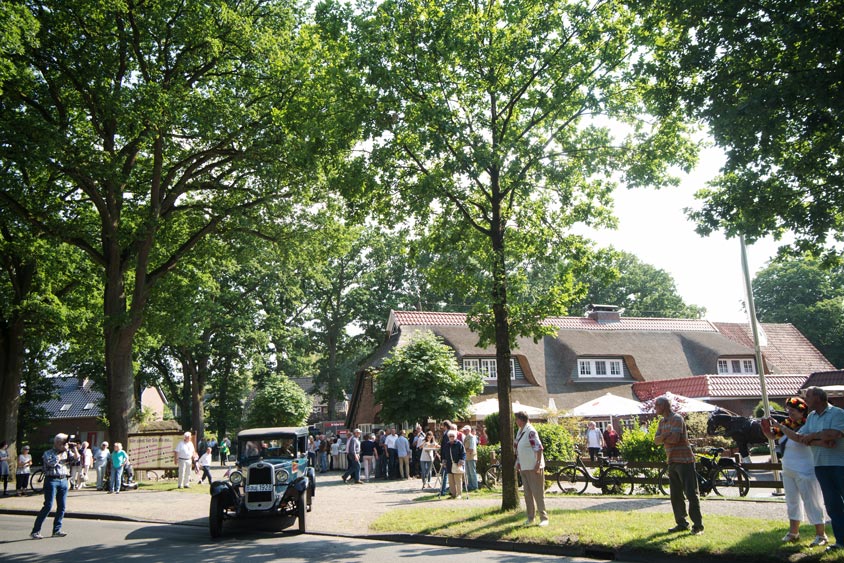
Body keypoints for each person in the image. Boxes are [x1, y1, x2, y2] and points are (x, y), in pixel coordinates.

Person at [775, 386, 844, 552]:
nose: (806, 400)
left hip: (840, 464)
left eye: (808, 397)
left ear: (818, 398)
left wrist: (813, 436)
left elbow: (835, 434)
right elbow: (800, 438)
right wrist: (782, 428)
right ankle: (841, 542)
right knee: (833, 506)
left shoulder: (837, 413)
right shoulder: (812, 417)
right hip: (821, 466)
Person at [762, 396, 828, 546]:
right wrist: (766, 430)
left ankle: (821, 535)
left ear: (802, 411)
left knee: (812, 502)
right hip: (788, 469)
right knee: (792, 501)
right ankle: (793, 533)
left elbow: (798, 438)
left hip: (805, 470)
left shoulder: (808, 425)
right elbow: (774, 436)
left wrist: (781, 426)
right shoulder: (787, 424)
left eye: (793, 411)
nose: (789, 413)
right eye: (788, 410)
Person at [654, 395, 703, 535]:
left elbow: (675, 439)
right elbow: (656, 441)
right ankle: (681, 523)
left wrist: (663, 437)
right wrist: (665, 436)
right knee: (675, 495)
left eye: (656, 406)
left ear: (663, 406)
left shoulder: (677, 418)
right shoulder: (662, 422)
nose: (655, 408)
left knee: (691, 494)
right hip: (672, 461)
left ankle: (698, 526)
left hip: (685, 461)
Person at [31, 433, 78, 539]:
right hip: (52, 480)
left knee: (62, 507)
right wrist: (62, 452)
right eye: (63, 443)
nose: (65, 445)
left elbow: (77, 459)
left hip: (64, 480)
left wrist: (74, 449)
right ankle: (35, 531)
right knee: (48, 505)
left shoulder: (67, 452)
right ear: (57, 443)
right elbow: (51, 463)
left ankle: (57, 530)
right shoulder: (48, 453)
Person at [514, 412, 548, 526]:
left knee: (538, 493)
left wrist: (538, 463)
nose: (515, 421)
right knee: (527, 494)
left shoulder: (530, 431)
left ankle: (544, 518)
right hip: (524, 467)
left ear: (521, 419)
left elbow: (538, 448)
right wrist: (518, 463)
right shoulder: (520, 431)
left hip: (533, 467)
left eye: (516, 419)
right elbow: (519, 449)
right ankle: (530, 517)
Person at [442, 430, 466, 498]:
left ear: (455, 436)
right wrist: (443, 460)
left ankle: (459, 494)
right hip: (449, 464)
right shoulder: (447, 445)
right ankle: (453, 494)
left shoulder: (459, 444)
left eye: (453, 436)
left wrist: (461, 460)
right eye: (450, 436)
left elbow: (463, 453)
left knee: (458, 480)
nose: (451, 437)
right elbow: (444, 454)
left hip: (457, 464)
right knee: (451, 480)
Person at [462, 425, 479, 491]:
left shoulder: (471, 437)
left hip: (471, 456)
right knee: (468, 472)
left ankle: (474, 486)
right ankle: (470, 485)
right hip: (467, 457)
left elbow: (471, 449)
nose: (464, 431)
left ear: (468, 430)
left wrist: (464, 450)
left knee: (472, 472)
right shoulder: (466, 437)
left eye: (465, 430)